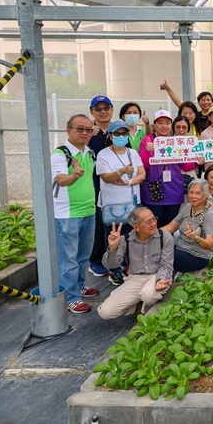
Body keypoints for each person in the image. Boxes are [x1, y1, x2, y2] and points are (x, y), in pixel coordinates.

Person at [51, 114, 99, 314]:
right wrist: (74, 176)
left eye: (88, 129)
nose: (84, 133)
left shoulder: (89, 152)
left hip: (89, 210)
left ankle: (79, 287)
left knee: (82, 256)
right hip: (67, 214)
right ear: (68, 130)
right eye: (80, 129)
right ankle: (70, 298)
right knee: (68, 259)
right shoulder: (60, 154)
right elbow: (61, 180)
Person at [97, 207, 174, 319]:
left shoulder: (165, 237)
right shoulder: (125, 240)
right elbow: (111, 266)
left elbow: (166, 265)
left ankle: (145, 307)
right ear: (136, 227)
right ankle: (137, 307)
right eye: (148, 222)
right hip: (135, 278)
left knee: (148, 295)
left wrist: (161, 279)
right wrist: (113, 248)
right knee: (105, 312)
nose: (154, 223)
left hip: (156, 275)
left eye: (154, 219)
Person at [95, 121, 145, 284]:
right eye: (117, 134)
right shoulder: (103, 154)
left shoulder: (132, 153)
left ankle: (130, 268)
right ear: (110, 136)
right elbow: (106, 177)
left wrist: (128, 182)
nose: (121, 137)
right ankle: (114, 270)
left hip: (132, 204)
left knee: (132, 237)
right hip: (112, 205)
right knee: (113, 239)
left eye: (124, 134)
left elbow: (142, 174)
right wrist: (121, 171)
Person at [139, 110, 202, 227]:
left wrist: (197, 162)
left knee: (170, 228)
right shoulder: (148, 140)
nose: (164, 126)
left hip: (174, 192)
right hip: (153, 193)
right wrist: (147, 151)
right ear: (154, 125)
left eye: (167, 123)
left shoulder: (176, 141)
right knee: (153, 227)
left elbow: (184, 166)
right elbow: (143, 165)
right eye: (160, 123)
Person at [160, 179, 213, 273]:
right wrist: (150, 233)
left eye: (198, 193)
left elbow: (209, 244)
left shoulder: (210, 215)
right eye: (191, 192)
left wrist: (196, 238)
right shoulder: (188, 207)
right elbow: (171, 227)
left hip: (196, 256)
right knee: (155, 248)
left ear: (206, 195)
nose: (193, 196)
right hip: (180, 250)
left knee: (158, 254)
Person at [87, 95, 116, 278]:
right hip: (96, 186)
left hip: (118, 186)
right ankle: (96, 260)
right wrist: (88, 134)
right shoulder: (87, 132)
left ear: (112, 109)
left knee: (117, 223)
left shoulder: (118, 130)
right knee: (98, 225)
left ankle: (116, 260)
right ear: (92, 112)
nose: (103, 112)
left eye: (106, 108)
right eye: (98, 109)